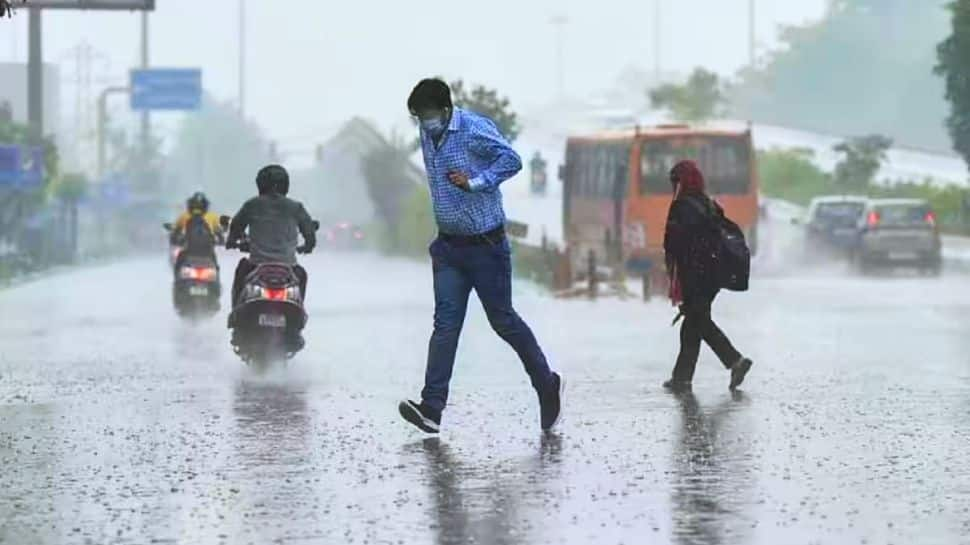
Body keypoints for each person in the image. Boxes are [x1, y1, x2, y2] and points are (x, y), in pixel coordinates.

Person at [397, 78, 564, 434]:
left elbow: (512, 160)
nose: (424, 124)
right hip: (448, 248)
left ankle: (547, 385)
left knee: (503, 321)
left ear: (444, 110)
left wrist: (475, 181)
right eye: (418, 117)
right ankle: (432, 408)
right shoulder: (428, 134)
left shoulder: (473, 129)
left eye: (427, 116)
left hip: (486, 247)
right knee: (445, 326)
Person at [662, 159, 753, 392]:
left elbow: (672, 244)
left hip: (694, 275)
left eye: (675, 182)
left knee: (699, 321)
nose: (674, 187)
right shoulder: (709, 204)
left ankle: (735, 360)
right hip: (713, 275)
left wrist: (674, 274)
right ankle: (682, 378)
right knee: (693, 324)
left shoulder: (680, 207)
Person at [226, 165, 316, 315]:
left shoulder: (252, 205)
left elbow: (236, 226)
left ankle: (235, 314)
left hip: (255, 265)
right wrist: (308, 246)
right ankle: (298, 315)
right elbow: (309, 233)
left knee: (241, 271)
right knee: (302, 275)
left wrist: (232, 241)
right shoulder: (296, 207)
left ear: (260, 184)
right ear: (285, 184)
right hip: (289, 267)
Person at [171, 191, 223, 264]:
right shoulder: (213, 217)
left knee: (180, 261)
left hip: (190, 249)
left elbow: (175, 231)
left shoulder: (183, 216)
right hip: (206, 251)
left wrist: (176, 239)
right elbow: (219, 233)